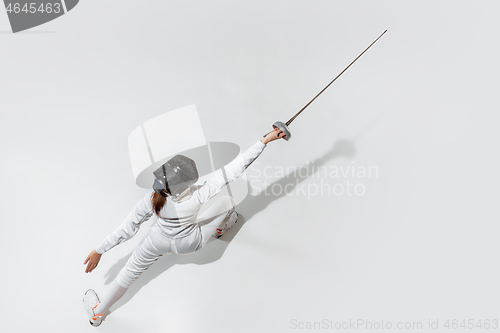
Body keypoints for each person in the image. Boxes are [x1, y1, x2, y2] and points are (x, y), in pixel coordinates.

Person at [82, 126, 286, 327]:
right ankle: (220, 229)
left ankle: (96, 315)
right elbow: (232, 171)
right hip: (190, 243)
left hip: (156, 242)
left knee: (128, 274)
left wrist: (99, 250)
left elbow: (127, 228)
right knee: (227, 203)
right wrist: (265, 141)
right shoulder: (196, 197)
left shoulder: (151, 198)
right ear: (184, 185)